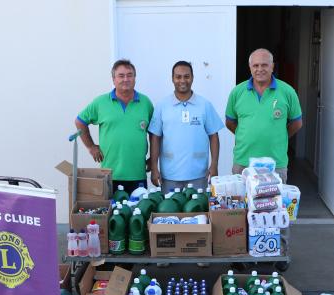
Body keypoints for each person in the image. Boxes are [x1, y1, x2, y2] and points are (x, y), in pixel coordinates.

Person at [75, 59, 154, 196]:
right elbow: (80, 121)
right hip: (110, 175)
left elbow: (154, 134)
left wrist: (153, 158)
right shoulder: (100, 103)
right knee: (113, 215)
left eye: (130, 75)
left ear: (135, 78)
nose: (126, 79)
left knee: (138, 214)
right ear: (113, 79)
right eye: (121, 75)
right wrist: (91, 147)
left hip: (138, 174)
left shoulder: (145, 103)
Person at [225, 48, 302, 182]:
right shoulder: (237, 92)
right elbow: (230, 122)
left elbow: (297, 123)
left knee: (274, 203)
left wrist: (281, 136)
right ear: (250, 68)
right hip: (243, 162)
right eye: (255, 65)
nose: (260, 69)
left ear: (272, 66)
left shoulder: (288, 92)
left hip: (275, 164)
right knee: (242, 202)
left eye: (264, 65)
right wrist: (246, 135)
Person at [149, 61, 223, 194]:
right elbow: (155, 138)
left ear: (192, 78)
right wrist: (154, 168)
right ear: (172, 79)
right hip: (170, 175)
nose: (182, 80)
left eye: (186, 76)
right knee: (171, 211)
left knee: (198, 211)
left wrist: (214, 164)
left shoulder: (204, 105)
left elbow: (214, 136)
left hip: (199, 175)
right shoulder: (162, 106)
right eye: (178, 77)